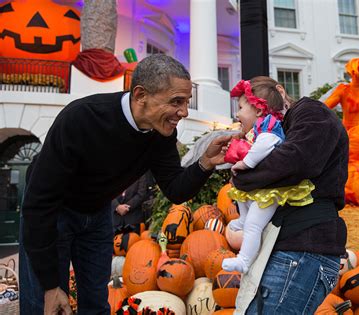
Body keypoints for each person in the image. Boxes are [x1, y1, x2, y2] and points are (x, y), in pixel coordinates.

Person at [19, 54, 231, 315]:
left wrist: (205, 163)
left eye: (186, 102)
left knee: (96, 304)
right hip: (54, 213)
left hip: (97, 214)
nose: (184, 112)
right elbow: (38, 205)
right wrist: (50, 286)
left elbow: (176, 189)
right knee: (45, 306)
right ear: (141, 95)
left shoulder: (160, 134)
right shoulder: (81, 118)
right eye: (176, 101)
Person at [232, 76, 349, 314]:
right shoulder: (280, 131)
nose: (240, 114)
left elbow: (297, 161)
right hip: (288, 246)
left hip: (304, 247)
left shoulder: (311, 111)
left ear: (281, 91)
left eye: (249, 105)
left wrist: (241, 177)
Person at [221, 79, 315, 274]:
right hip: (263, 187)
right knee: (246, 204)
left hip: (273, 190)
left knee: (255, 224)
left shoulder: (269, 126)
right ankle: (243, 220)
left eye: (240, 108)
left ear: (257, 110)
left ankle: (244, 260)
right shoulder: (259, 127)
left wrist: (246, 163)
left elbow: (265, 144)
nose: (237, 114)